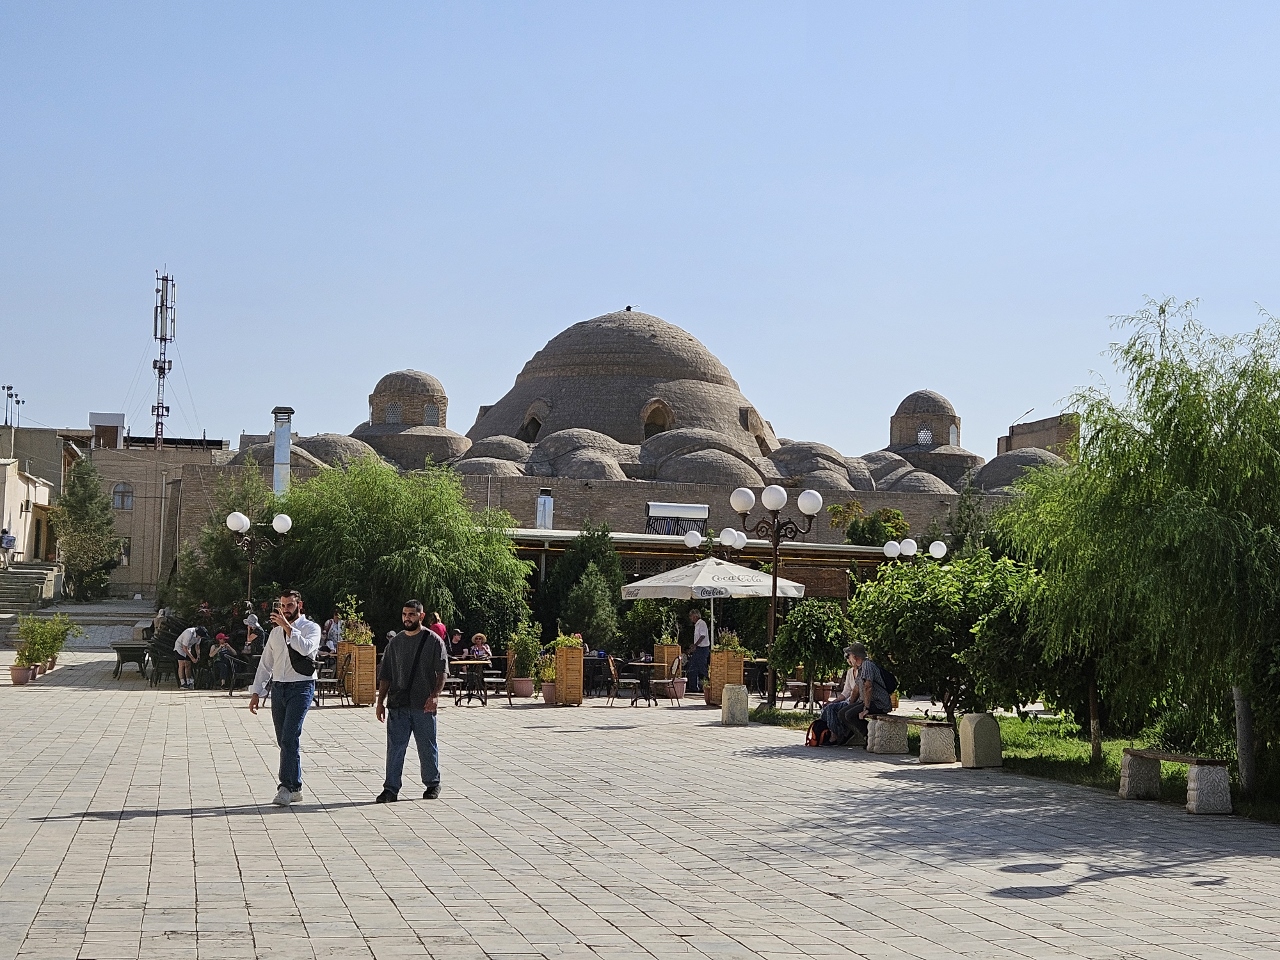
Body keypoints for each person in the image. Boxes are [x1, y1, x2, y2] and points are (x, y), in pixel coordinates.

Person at [248, 590, 322, 806]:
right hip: (279, 688)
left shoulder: (311, 628)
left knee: (290, 737)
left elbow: (306, 649)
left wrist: (288, 628)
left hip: (301, 686)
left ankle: (285, 787)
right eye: (282, 605)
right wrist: (256, 692)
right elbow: (266, 664)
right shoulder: (274, 633)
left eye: (290, 605)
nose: (285, 609)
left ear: (299, 605)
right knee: (284, 740)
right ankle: (296, 786)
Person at [375, 600, 447, 803]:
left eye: (412, 614)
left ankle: (432, 783)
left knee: (427, 746)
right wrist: (380, 702)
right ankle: (390, 789)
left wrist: (435, 695)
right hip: (398, 704)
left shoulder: (433, 641)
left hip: (423, 704)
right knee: (395, 748)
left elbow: (442, 672)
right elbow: (386, 675)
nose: (407, 618)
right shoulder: (395, 643)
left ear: (421, 616)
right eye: (404, 614)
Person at [821, 642, 893, 746]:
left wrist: (866, 709)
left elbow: (868, 687)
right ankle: (853, 734)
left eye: (849, 655)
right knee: (842, 713)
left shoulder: (867, 665)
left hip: (879, 703)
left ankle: (869, 735)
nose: (848, 658)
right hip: (868, 702)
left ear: (855, 656)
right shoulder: (860, 667)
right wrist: (850, 705)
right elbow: (856, 689)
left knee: (849, 715)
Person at [686, 609, 711, 693]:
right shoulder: (696, 625)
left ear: (695, 616)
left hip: (703, 649)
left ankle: (708, 685)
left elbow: (703, 636)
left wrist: (695, 645)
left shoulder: (702, 623)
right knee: (693, 667)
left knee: (702, 667)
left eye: (691, 616)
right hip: (698, 648)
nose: (690, 618)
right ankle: (693, 687)